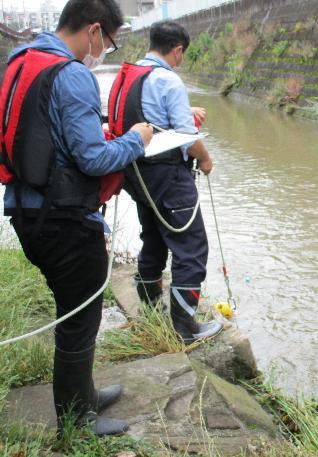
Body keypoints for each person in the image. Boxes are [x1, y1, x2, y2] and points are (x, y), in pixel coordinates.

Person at [0, 0, 153, 436]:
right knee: (79, 316)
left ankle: (82, 396)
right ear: (93, 31)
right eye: (107, 41)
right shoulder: (72, 75)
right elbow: (92, 157)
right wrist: (136, 139)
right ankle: (76, 420)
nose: (104, 50)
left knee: (73, 311)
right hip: (62, 220)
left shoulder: (21, 60)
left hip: (26, 211)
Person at [107, 21, 222, 343]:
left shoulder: (129, 75)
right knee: (191, 248)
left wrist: (185, 109)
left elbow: (145, 116)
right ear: (177, 50)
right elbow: (186, 137)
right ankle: (185, 329)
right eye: (181, 55)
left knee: (154, 239)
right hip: (168, 177)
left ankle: (151, 310)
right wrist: (205, 157)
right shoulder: (167, 79)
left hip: (137, 176)